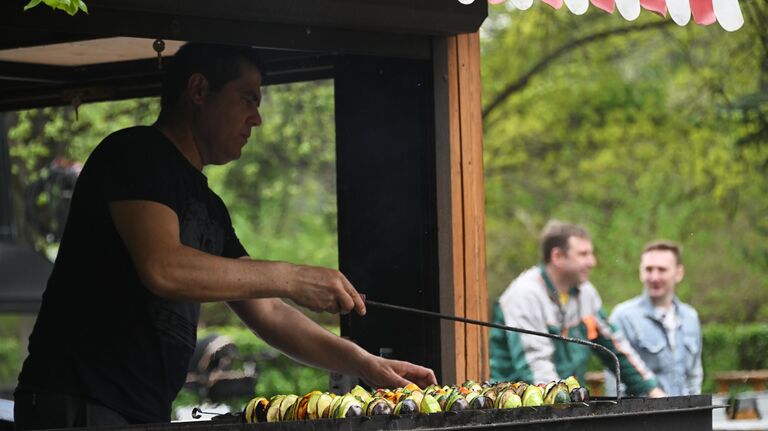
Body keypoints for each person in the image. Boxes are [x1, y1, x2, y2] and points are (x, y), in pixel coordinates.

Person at [13, 42, 436, 429]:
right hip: (79, 401)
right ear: (198, 90)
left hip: (141, 410)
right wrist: (291, 276)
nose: (257, 117)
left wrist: (365, 365)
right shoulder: (134, 154)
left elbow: (267, 310)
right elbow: (163, 267)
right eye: (248, 98)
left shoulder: (210, 208)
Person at [489, 220, 665, 397]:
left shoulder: (585, 293)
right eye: (583, 254)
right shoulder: (525, 295)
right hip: (517, 408)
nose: (592, 262)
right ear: (557, 256)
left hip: (564, 405)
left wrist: (651, 389)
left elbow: (614, 347)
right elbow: (536, 369)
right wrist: (566, 408)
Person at [605, 240, 702, 396]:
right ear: (640, 272)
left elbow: (694, 375)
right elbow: (614, 381)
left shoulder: (690, 317)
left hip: (684, 416)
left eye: (662, 270)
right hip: (642, 417)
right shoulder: (624, 316)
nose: (654, 277)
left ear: (678, 273)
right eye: (649, 269)